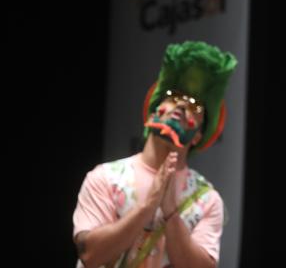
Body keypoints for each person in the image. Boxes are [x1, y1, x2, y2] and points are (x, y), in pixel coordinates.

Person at [72, 41, 237, 268]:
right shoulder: (106, 178)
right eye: (172, 96)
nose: (180, 107)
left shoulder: (206, 200)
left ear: (199, 135)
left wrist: (170, 212)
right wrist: (148, 206)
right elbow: (91, 255)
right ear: (153, 112)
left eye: (194, 106)